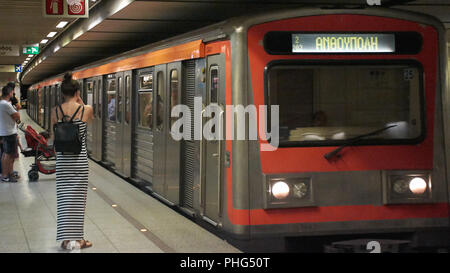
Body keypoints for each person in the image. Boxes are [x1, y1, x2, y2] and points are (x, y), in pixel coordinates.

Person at [50, 72, 94, 250]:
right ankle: (79, 239)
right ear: (77, 92)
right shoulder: (87, 110)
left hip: (62, 162)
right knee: (78, 201)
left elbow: (53, 138)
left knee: (64, 200)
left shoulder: (55, 111)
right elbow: (88, 123)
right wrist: (80, 102)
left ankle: (66, 240)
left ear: (62, 93)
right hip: (79, 162)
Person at [0, 85, 20, 182]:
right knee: (7, 154)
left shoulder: (3, 103)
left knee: (9, 154)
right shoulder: (5, 104)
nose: (13, 93)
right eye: (12, 92)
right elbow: (17, 116)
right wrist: (16, 112)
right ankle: (5, 175)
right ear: (9, 93)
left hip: (7, 131)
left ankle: (10, 173)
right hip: (9, 132)